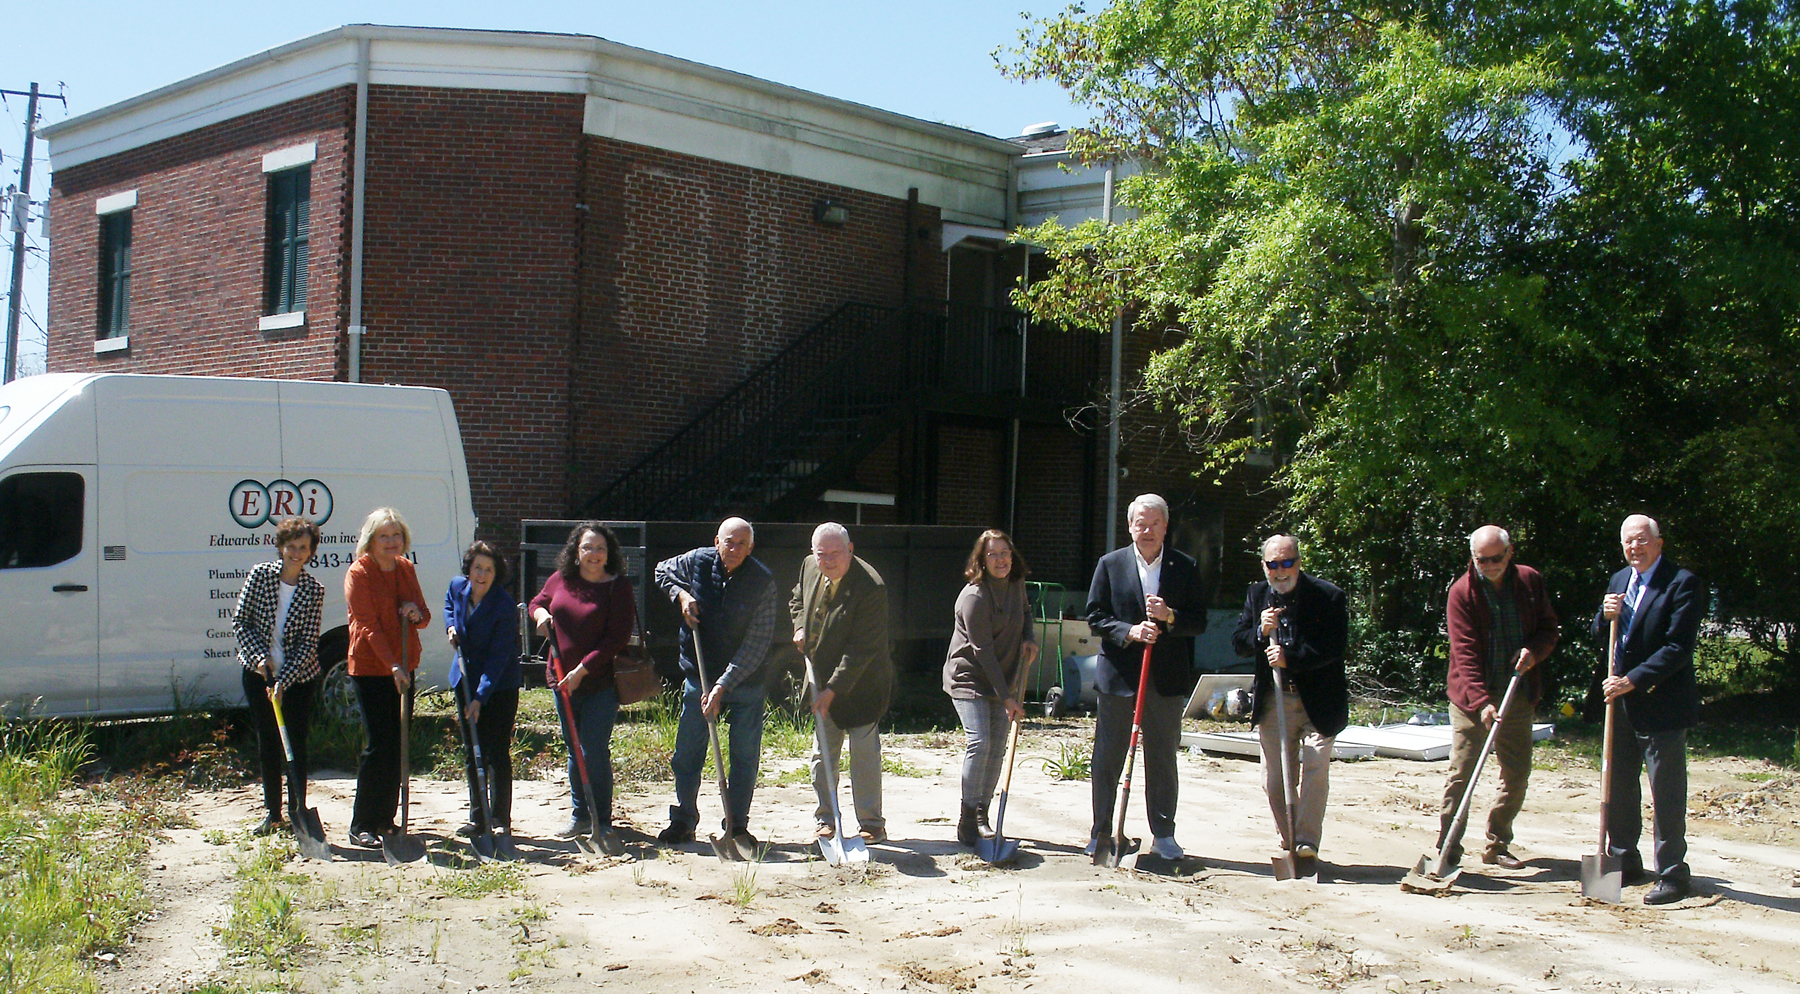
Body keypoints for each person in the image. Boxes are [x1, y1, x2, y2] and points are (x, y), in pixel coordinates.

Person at [1085, 494, 1209, 860]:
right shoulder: (1110, 564)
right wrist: (1129, 631)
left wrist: (1170, 617)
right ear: (1130, 526)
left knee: (1162, 759)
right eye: (1141, 523)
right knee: (1108, 758)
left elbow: (1199, 620)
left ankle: (1164, 834)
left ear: (1166, 527)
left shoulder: (1184, 567)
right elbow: (1095, 616)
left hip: (1166, 680)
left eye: (1155, 523)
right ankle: (1102, 833)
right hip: (1120, 678)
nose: (1148, 530)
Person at [1591, 514, 1702, 906]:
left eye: (1641, 541)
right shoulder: (1620, 580)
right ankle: (1623, 861)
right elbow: (1603, 634)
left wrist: (1633, 679)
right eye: (1627, 543)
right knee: (1619, 784)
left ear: (1658, 543)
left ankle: (1672, 873)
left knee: (1666, 791)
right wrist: (1603, 617)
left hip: (1662, 704)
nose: (1633, 549)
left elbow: (1678, 648)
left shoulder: (1681, 583)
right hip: (1619, 705)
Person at [1438, 525, 1560, 868]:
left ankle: (1497, 842)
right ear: (1472, 558)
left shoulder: (1530, 582)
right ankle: (1447, 847)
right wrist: (1481, 703)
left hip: (1517, 693)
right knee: (1461, 773)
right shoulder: (1461, 593)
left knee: (1517, 774)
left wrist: (1534, 653)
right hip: (1471, 699)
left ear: (1509, 553)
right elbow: (1464, 653)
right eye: (1482, 559)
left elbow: (1549, 629)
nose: (1489, 565)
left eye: (1496, 558)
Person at [652, 517, 777, 849]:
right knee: (688, 751)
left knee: (744, 755)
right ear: (717, 541)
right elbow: (661, 570)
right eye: (728, 542)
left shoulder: (763, 582)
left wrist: (722, 686)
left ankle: (737, 825)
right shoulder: (697, 561)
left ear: (750, 548)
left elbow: (756, 646)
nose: (733, 549)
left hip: (746, 681)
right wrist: (680, 595)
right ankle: (682, 821)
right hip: (699, 673)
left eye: (741, 544)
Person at [1230, 534, 1347, 866]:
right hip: (1275, 699)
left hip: (1319, 700)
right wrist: (1260, 632)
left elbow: (1333, 648)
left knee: (1315, 764)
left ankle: (1307, 840)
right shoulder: (1257, 596)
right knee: (1275, 777)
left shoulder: (1328, 596)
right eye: (1273, 565)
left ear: (1299, 562)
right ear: (1264, 566)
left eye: (1287, 563)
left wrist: (1290, 658)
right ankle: (1290, 838)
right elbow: (1238, 642)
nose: (1280, 572)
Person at [531, 521, 636, 855]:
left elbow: (616, 638)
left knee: (592, 749)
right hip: (560, 678)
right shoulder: (561, 580)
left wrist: (581, 670)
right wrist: (540, 616)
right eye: (588, 547)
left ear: (609, 554)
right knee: (574, 749)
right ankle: (580, 815)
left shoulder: (616, 587)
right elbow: (537, 602)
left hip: (599, 682)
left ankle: (601, 819)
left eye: (600, 548)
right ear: (576, 552)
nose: (594, 554)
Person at [791, 522, 892, 844]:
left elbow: (862, 650)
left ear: (850, 550)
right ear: (813, 553)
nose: (829, 560)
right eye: (822, 554)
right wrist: (799, 627)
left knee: (863, 756)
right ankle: (826, 818)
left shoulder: (871, 587)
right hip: (820, 677)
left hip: (863, 684)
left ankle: (871, 823)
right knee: (823, 755)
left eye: (836, 553)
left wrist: (833, 690)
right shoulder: (809, 567)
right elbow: (797, 600)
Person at [943, 529, 1038, 848]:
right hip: (969, 678)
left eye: (1005, 553)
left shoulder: (1016, 584)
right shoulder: (974, 597)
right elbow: (981, 652)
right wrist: (1007, 697)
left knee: (998, 746)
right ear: (981, 560)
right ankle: (968, 816)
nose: (1001, 560)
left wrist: (1029, 638)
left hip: (1004, 677)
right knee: (980, 741)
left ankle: (983, 814)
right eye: (993, 554)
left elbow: (1025, 612)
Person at [233, 516, 326, 836]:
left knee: (295, 745)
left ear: (311, 551)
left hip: (298, 680)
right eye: (291, 546)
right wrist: (261, 662)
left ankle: (297, 811)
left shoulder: (314, 589)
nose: (296, 552)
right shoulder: (260, 576)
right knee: (268, 744)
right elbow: (241, 622)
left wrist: (284, 681)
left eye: (303, 547)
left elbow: (307, 643)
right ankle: (272, 814)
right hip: (259, 674)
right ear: (281, 546)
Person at [344, 507, 431, 849]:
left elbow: (423, 615)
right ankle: (362, 822)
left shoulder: (405, 568)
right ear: (371, 539)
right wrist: (392, 665)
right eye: (384, 536)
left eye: (396, 535)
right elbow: (366, 626)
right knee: (378, 745)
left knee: (398, 746)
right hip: (371, 667)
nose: (391, 542)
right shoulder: (359, 573)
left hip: (404, 666)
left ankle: (386, 818)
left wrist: (414, 613)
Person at [445, 540, 521, 839]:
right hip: (464, 678)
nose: (482, 574)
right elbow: (449, 607)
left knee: (495, 750)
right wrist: (451, 626)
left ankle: (500, 818)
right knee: (472, 749)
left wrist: (480, 697)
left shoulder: (503, 606)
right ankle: (478, 817)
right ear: (469, 568)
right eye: (478, 567)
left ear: (496, 573)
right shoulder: (457, 587)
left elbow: (499, 658)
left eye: (488, 569)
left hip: (498, 685)